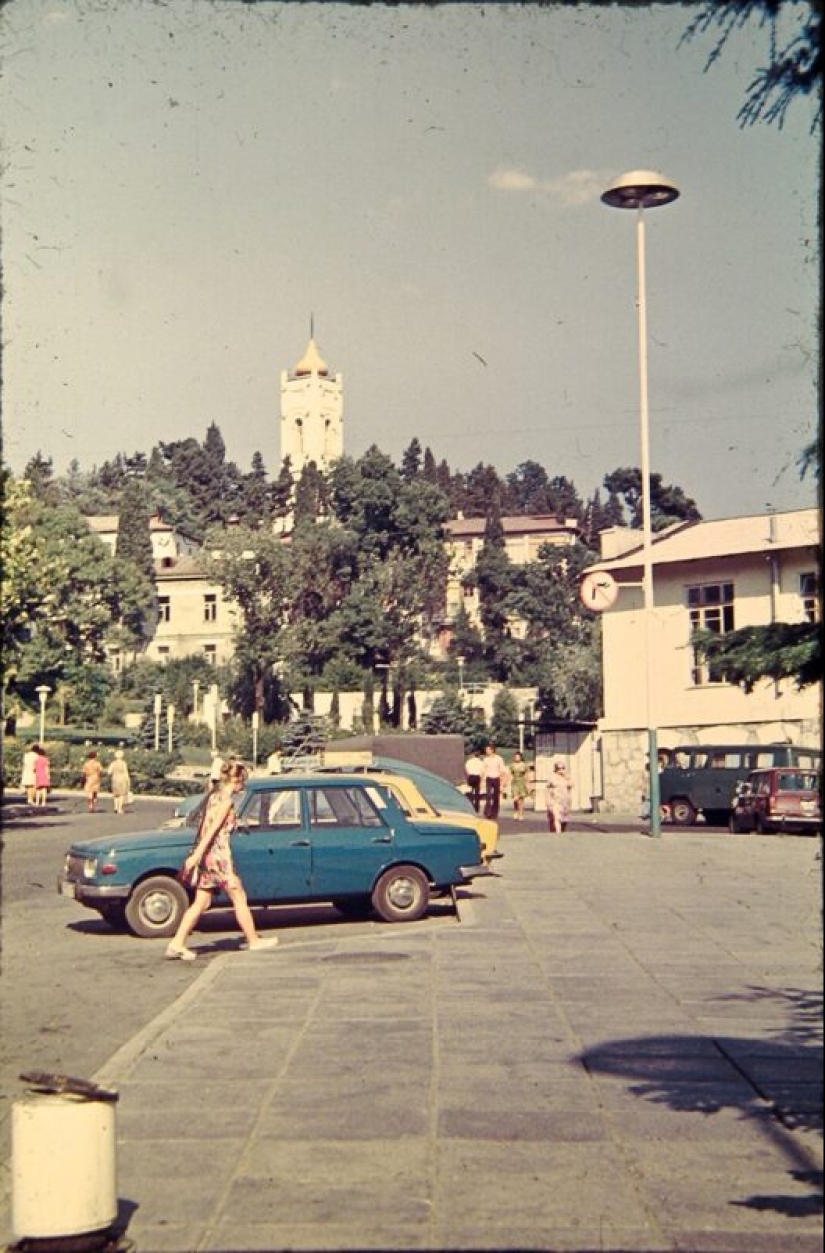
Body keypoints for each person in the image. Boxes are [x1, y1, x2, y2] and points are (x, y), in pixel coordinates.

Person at [165, 760, 280, 961]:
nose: (243, 787)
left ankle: (177, 943)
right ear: (235, 780)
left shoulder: (213, 798)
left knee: (202, 901)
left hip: (209, 856)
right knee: (238, 895)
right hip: (218, 855)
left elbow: (204, 828)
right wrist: (196, 855)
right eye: (242, 782)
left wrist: (199, 854)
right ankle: (253, 940)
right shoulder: (226, 802)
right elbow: (212, 830)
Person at [482, 744, 508, 820]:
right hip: (489, 778)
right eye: (486, 750)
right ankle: (487, 812)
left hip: (496, 778)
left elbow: (502, 769)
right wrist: (482, 780)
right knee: (488, 795)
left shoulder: (499, 759)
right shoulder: (485, 759)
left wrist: (503, 781)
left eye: (488, 750)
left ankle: (494, 813)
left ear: (492, 750)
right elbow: (483, 770)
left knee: (496, 796)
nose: (486, 751)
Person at [546, 758, 572, 833]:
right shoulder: (552, 778)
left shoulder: (567, 778)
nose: (560, 770)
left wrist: (567, 777)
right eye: (558, 768)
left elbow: (571, 786)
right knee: (556, 818)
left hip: (565, 801)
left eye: (563, 768)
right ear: (555, 769)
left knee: (564, 820)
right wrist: (548, 801)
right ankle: (558, 833)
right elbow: (548, 790)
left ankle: (562, 831)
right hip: (555, 801)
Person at [107, 749, 131, 815]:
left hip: (115, 779)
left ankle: (115, 807)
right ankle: (120, 809)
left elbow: (109, 772)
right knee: (122, 794)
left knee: (116, 794)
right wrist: (128, 780)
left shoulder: (113, 763)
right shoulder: (123, 763)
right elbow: (126, 772)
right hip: (122, 779)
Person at [509, 750, 530, 820]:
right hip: (515, 782)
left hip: (522, 782)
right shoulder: (512, 765)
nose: (517, 758)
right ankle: (515, 811)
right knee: (515, 799)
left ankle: (521, 814)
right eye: (515, 757)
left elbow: (527, 774)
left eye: (518, 757)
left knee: (521, 799)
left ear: (521, 757)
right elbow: (510, 774)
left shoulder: (524, 765)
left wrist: (528, 783)